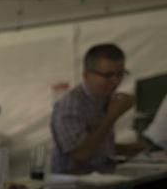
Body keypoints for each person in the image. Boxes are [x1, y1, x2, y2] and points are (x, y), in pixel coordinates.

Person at [51, 43, 146, 174]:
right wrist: (112, 116)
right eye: (108, 75)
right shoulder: (71, 105)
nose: (116, 81)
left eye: (120, 74)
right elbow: (81, 154)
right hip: (74, 186)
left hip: (101, 179)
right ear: (86, 75)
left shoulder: (104, 98)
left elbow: (99, 148)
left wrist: (131, 149)